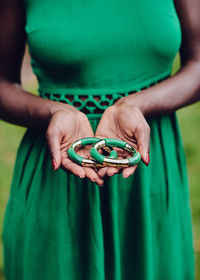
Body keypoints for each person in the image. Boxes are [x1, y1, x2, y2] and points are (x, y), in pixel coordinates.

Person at [0, 0, 200, 279]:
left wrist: (136, 105)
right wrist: (54, 111)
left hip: (148, 176)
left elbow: (198, 65)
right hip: (56, 172)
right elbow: (3, 84)